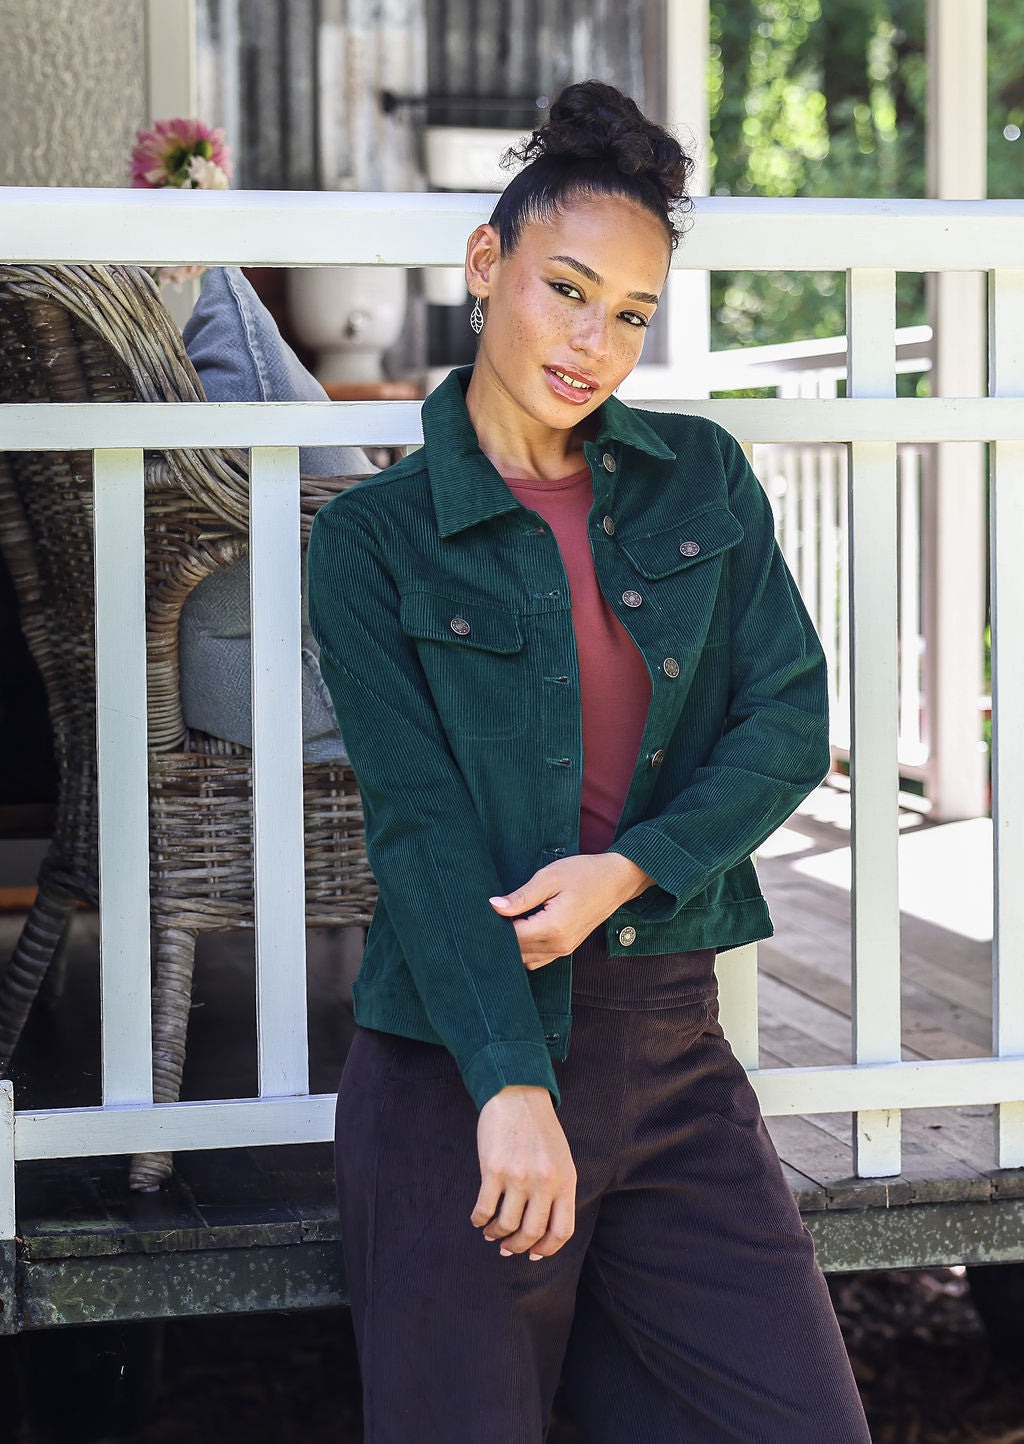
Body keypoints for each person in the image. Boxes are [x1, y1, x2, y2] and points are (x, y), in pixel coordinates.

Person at [307, 79, 870, 1444]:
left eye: (629, 312)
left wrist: (632, 868)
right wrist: (506, 1082)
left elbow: (788, 715)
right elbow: (421, 828)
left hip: (672, 1047)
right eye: (567, 289)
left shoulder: (702, 477)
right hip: (456, 1057)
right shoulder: (374, 540)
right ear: (487, 264)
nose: (594, 340)